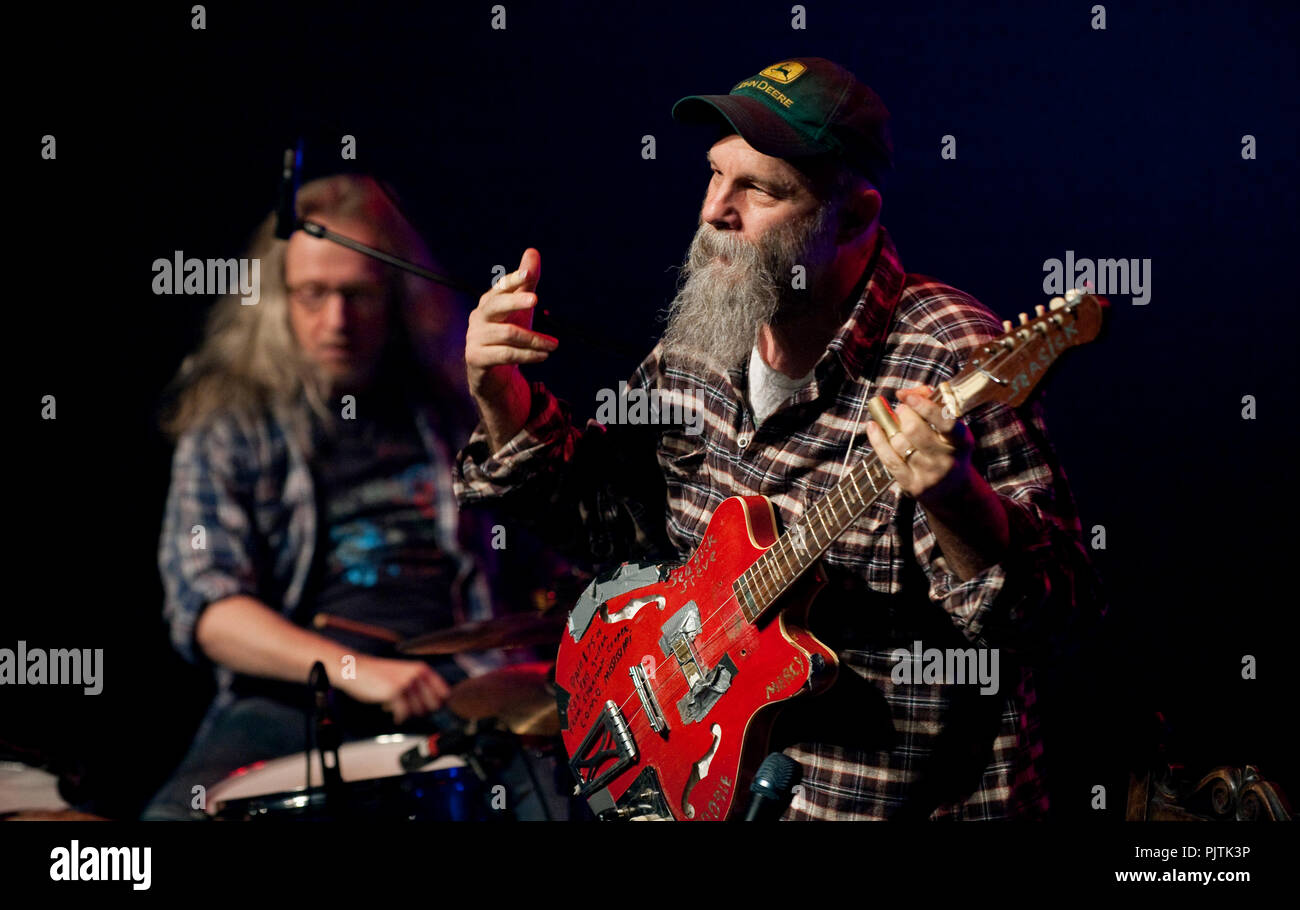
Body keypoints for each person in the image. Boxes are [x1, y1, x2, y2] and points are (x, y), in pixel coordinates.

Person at [455, 58, 1102, 820]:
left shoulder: (951, 355)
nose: (714, 211)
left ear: (856, 216)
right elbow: (605, 524)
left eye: (760, 189)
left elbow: (1056, 621)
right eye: (713, 176)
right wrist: (503, 399)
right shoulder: (705, 333)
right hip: (702, 788)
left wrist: (954, 495)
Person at [145, 173, 511, 820]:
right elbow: (208, 607)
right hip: (294, 698)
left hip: (462, 685)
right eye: (312, 294)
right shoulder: (232, 422)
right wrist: (355, 670)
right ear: (276, 299)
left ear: (396, 298)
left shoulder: (451, 409)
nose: (336, 320)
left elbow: (541, 562)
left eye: (358, 295)